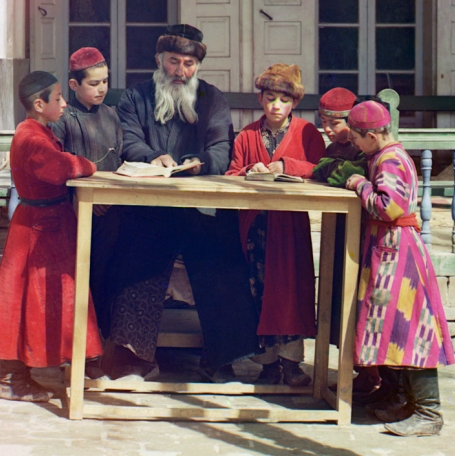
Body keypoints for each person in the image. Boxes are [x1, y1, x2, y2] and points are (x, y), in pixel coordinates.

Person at [104, 24, 260, 381]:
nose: (180, 71)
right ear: (159, 61)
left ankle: (222, 358)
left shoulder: (213, 99)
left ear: (197, 67)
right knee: (134, 259)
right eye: (173, 62)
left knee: (222, 261)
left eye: (188, 64)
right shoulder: (136, 97)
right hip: (147, 207)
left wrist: (200, 162)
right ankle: (133, 357)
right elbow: (129, 142)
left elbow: (223, 148)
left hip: (199, 206)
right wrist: (153, 156)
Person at [0, 71, 103, 401]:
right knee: (26, 300)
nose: (64, 103)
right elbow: (62, 168)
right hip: (38, 230)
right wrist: (87, 164)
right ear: (39, 104)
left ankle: (72, 362)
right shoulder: (30, 137)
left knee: (52, 297)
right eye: (58, 98)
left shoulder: (36, 130)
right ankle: (13, 380)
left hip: (48, 224)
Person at [344, 100, 455, 436]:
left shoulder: (391, 159)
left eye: (357, 137)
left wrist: (359, 184)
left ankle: (428, 413)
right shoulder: (381, 155)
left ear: (374, 135)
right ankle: (398, 399)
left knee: (409, 331)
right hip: (388, 250)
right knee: (389, 330)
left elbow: (388, 206)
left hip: (399, 253)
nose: (354, 142)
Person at [226, 64, 326, 386]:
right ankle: (266, 363)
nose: (276, 107)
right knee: (259, 290)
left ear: (294, 103)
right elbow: (231, 174)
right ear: (260, 99)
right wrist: (248, 172)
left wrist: (286, 165)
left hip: (290, 226)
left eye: (283, 100)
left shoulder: (307, 133)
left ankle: (292, 362)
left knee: (291, 291)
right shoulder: (246, 135)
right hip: (255, 227)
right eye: (270, 98)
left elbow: (321, 168)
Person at [50, 47, 123, 343]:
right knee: (83, 278)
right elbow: (57, 166)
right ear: (73, 85)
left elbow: (121, 158)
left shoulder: (111, 116)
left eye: (105, 81)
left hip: (114, 211)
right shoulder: (64, 119)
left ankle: (103, 342)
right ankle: (78, 345)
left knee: (109, 276)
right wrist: (85, 200)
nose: (102, 88)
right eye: (93, 84)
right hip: (78, 213)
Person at [314, 88, 380, 396]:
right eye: (323, 121)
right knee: (339, 300)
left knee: (359, 304)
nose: (328, 129)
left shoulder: (362, 150)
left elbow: (343, 173)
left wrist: (328, 170)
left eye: (334, 122)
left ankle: (373, 376)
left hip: (363, 234)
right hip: (338, 233)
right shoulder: (333, 146)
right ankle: (355, 372)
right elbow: (322, 170)